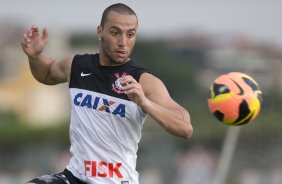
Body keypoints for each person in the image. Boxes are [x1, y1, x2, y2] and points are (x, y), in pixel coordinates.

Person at [21, 3, 193, 184]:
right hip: (75, 176)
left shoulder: (143, 81)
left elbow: (185, 127)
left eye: (130, 34)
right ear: (100, 32)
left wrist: (145, 103)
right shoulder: (77, 65)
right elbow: (47, 74)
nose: (123, 42)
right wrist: (35, 57)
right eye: (115, 32)